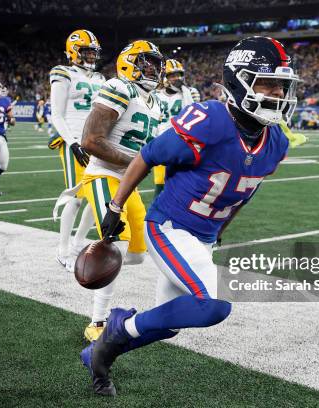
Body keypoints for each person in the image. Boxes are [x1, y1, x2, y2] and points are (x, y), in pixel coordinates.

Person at [80, 36, 301, 396]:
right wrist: (116, 206)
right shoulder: (211, 119)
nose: (277, 92)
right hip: (169, 226)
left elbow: (246, 190)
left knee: (169, 323)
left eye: (282, 84)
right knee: (212, 306)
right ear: (238, 80)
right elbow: (148, 155)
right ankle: (117, 326)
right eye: (267, 82)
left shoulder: (277, 143)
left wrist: (220, 230)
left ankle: (96, 355)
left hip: (202, 236)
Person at [78, 40, 164, 342]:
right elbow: (90, 140)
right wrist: (138, 162)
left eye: (155, 63)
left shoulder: (156, 101)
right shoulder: (119, 87)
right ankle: (97, 322)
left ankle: (89, 260)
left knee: (138, 255)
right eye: (145, 61)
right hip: (103, 174)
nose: (152, 68)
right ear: (128, 62)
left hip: (128, 181)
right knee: (118, 244)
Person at [47, 29, 106, 280]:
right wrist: (72, 142)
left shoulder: (101, 78)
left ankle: (78, 241)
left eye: (94, 52)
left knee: (97, 195)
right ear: (74, 51)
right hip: (73, 140)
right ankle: (63, 249)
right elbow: (56, 113)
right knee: (75, 196)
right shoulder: (63, 72)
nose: (91, 56)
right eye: (87, 51)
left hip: (96, 142)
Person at [152, 59, 196, 198]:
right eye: (172, 76)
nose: (177, 79)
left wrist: (184, 91)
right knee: (160, 182)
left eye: (179, 75)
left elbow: (191, 112)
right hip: (161, 142)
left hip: (182, 142)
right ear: (164, 78)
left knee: (182, 182)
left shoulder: (190, 92)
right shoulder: (155, 96)